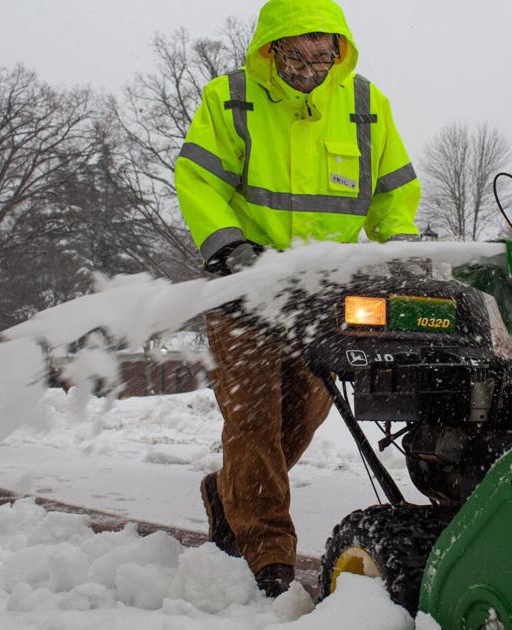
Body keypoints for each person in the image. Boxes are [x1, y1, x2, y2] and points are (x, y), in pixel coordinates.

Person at [173, 0, 421, 597]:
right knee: (252, 419)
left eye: (322, 54)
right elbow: (198, 178)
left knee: (302, 418)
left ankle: (226, 491)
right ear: (271, 50)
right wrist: (229, 246)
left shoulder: (364, 105)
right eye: (297, 55)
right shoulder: (231, 99)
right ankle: (269, 558)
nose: (310, 67)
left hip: (325, 298)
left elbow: (393, 191)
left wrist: (404, 247)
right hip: (246, 291)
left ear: (339, 50)